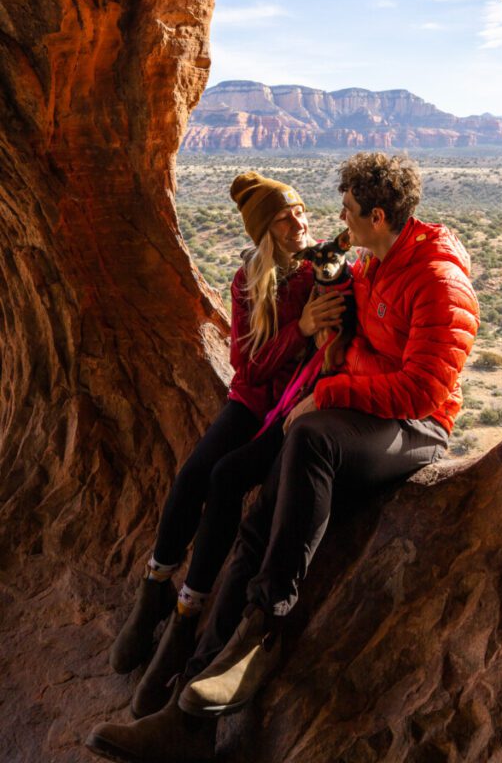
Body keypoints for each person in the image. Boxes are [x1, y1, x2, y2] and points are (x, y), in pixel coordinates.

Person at [86, 153, 479, 763]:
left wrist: (330, 386)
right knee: (256, 519)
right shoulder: (371, 263)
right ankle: (186, 711)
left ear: (378, 216)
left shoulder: (437, 279)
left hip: (416, 427)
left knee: (312, 436)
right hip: (368, 411)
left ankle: (265, 627)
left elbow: (421, 394)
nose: (337, 223)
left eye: (348, 212)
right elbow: (342, 351)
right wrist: (331, 352)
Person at [106, 171, 346, 719]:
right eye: (286, 215)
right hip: (250, 401)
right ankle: (155, 592)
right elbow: (248, 365)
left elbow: (315, 353)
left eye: (302, 210)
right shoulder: (248, 280)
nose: (300, 220)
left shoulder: (321, 272)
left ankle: (186, 617)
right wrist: (299, 329)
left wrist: (308, 330)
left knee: (221, 480)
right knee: (193, 475)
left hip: (286, 406)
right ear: (266, 229)